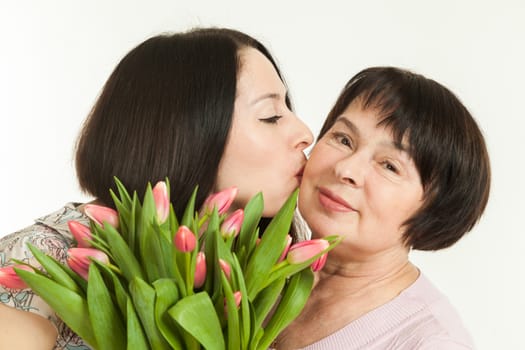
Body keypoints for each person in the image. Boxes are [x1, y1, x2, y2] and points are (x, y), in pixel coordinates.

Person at [0, 27, 313, 349]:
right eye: (271, 115)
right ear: (186, 135)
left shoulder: (261, 277)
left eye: (288, 109)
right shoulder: (37, 264)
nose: (305, 133)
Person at [275, 67, 490, 349]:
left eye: (389, 166)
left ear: (434, 211)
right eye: (343, 139)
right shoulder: (251, 275)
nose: (346, 169)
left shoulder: (432, 341)